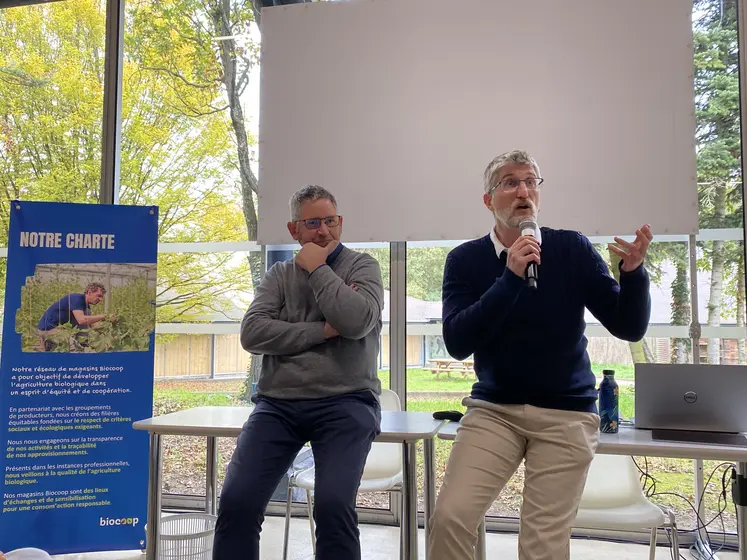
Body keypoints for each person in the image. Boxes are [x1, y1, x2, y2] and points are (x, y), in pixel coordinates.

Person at [428, 150, 652, 560]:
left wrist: (634, 275)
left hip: (566, 414)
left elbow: (628, 326)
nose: (523, 191)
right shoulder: (465, 260)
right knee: (450, 516)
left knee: (542, 544)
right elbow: (458, 342)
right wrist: (509, 278)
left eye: (531, 181)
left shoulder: (571, 248)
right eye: (510, 182)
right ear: (488, 200)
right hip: (494, 411)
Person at [213, 185, 385, 560]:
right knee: (237, 502)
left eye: (330, 221)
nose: (323, 231)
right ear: (294, 231)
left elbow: (355, 321)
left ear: (340, 223)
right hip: (279, 406)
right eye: (312, 223)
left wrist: (318, 268)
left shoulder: (362, 266)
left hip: (348, 402)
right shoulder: (279, 274)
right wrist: (322, 330)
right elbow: (253, 332)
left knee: (333, 504)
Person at [37, 282, 110, 351]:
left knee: (87, 313)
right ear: (89, 292)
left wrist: (107, 330)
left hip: (61, 329)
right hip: (48, 328)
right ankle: (50, 344)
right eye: (99, 296)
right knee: (72, 347)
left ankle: (83, 343)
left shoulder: (85, 306)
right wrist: (102, 316)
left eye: (102, 297)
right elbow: (81, 320)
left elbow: (92, 324)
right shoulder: (76, 299)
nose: (101, 299)